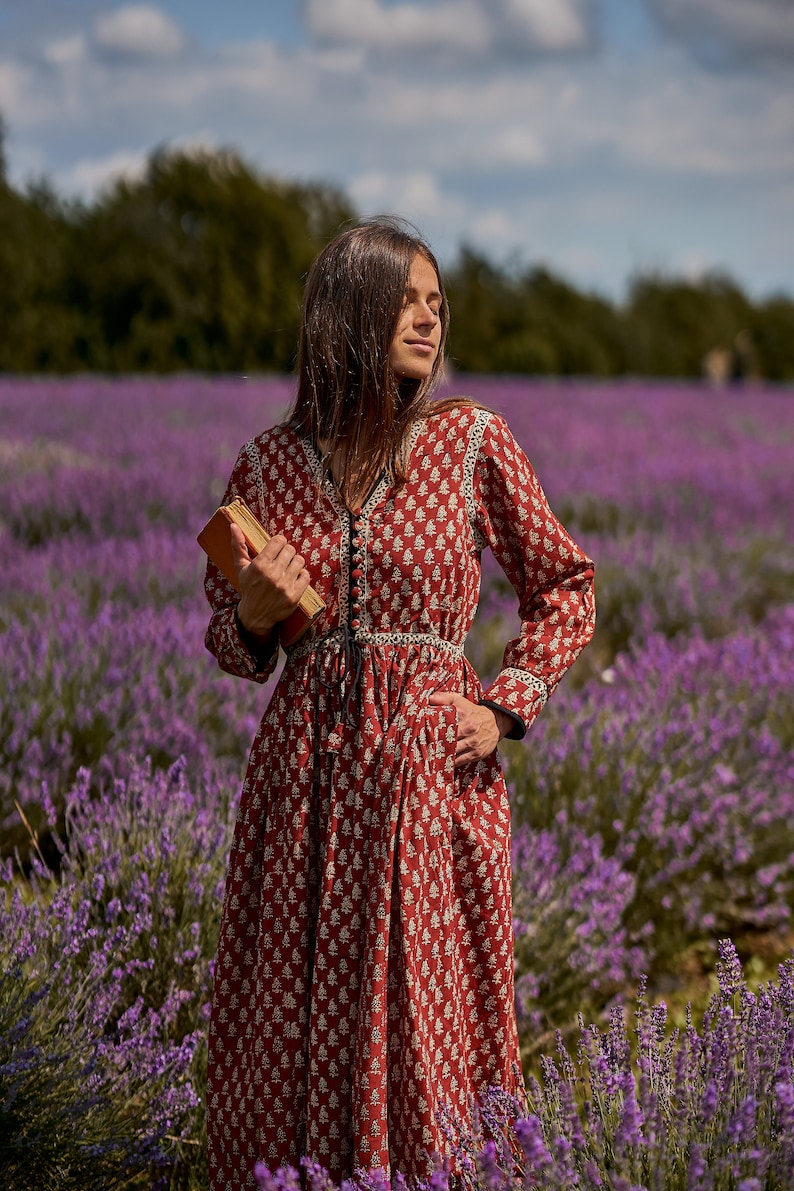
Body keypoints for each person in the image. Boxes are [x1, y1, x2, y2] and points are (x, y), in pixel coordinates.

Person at [203, 218, 596, 1189]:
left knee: (425, 1006)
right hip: (304, 780)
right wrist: (250, 617)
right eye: (405, 299)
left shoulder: (469, 441)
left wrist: (503, 705)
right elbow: (231, 642)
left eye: (435, 302)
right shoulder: (265, 467)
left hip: (430, 776)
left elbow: (564, 586)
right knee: (287, 1007)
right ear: (349, 311)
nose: (427, 317)